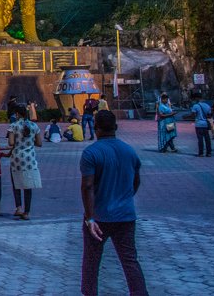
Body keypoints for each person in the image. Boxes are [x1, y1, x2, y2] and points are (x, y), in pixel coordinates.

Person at [79, 110, 147, 296]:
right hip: (125, 216)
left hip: (99, 216)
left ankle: (90, 293)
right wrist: (125, 198)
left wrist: (90, 217)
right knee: (130, 261)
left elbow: (87, 186)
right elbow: (136, 181)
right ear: (116, 127)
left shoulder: (91, 153)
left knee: (91, 262)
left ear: (96, 127)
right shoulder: (129, 151)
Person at [7, 107, 42, 220]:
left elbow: (11, 142)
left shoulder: (13, 126)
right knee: (28, 186)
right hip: (30, 159)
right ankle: (26, 212)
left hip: (16, 159)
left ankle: (18, 208)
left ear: (17, 114)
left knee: (16, 184)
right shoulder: (34, 126)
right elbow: (39, 143)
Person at [190, 92, 212, 157]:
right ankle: (209, 153)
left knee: (200, 139)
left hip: (198, 124)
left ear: (197, 98)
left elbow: (193, 115)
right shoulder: (207, 105)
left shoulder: (195, 106)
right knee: (207, 139)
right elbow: (209, 115)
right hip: (205, 124)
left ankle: (201, 153)